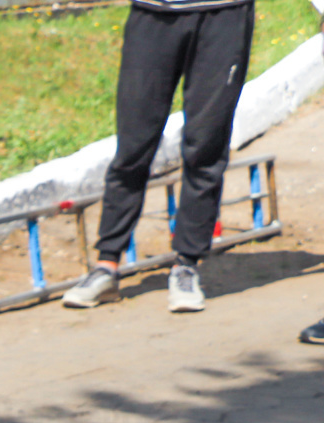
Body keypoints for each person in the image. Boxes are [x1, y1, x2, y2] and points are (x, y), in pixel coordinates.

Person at [60, 0, 254, 315]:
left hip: (224, 14)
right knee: (133, 144)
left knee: (205, 144)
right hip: (153, 13)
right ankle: (106, 264)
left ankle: (186, 265)